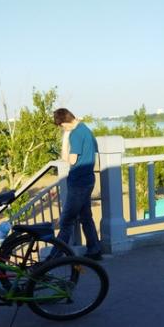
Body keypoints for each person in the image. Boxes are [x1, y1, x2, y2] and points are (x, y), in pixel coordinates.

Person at [53, 108, 102, 260]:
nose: (62, 129)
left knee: (66, 221)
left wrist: (65, 137)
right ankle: (94, 250)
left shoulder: (75, 133)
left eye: (61, 126)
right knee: (86, 217)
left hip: (78, 183)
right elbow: (93, 151)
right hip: (88, 179)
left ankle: (54, 257)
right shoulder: (86, 129)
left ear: (64, 123)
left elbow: (70, 159)